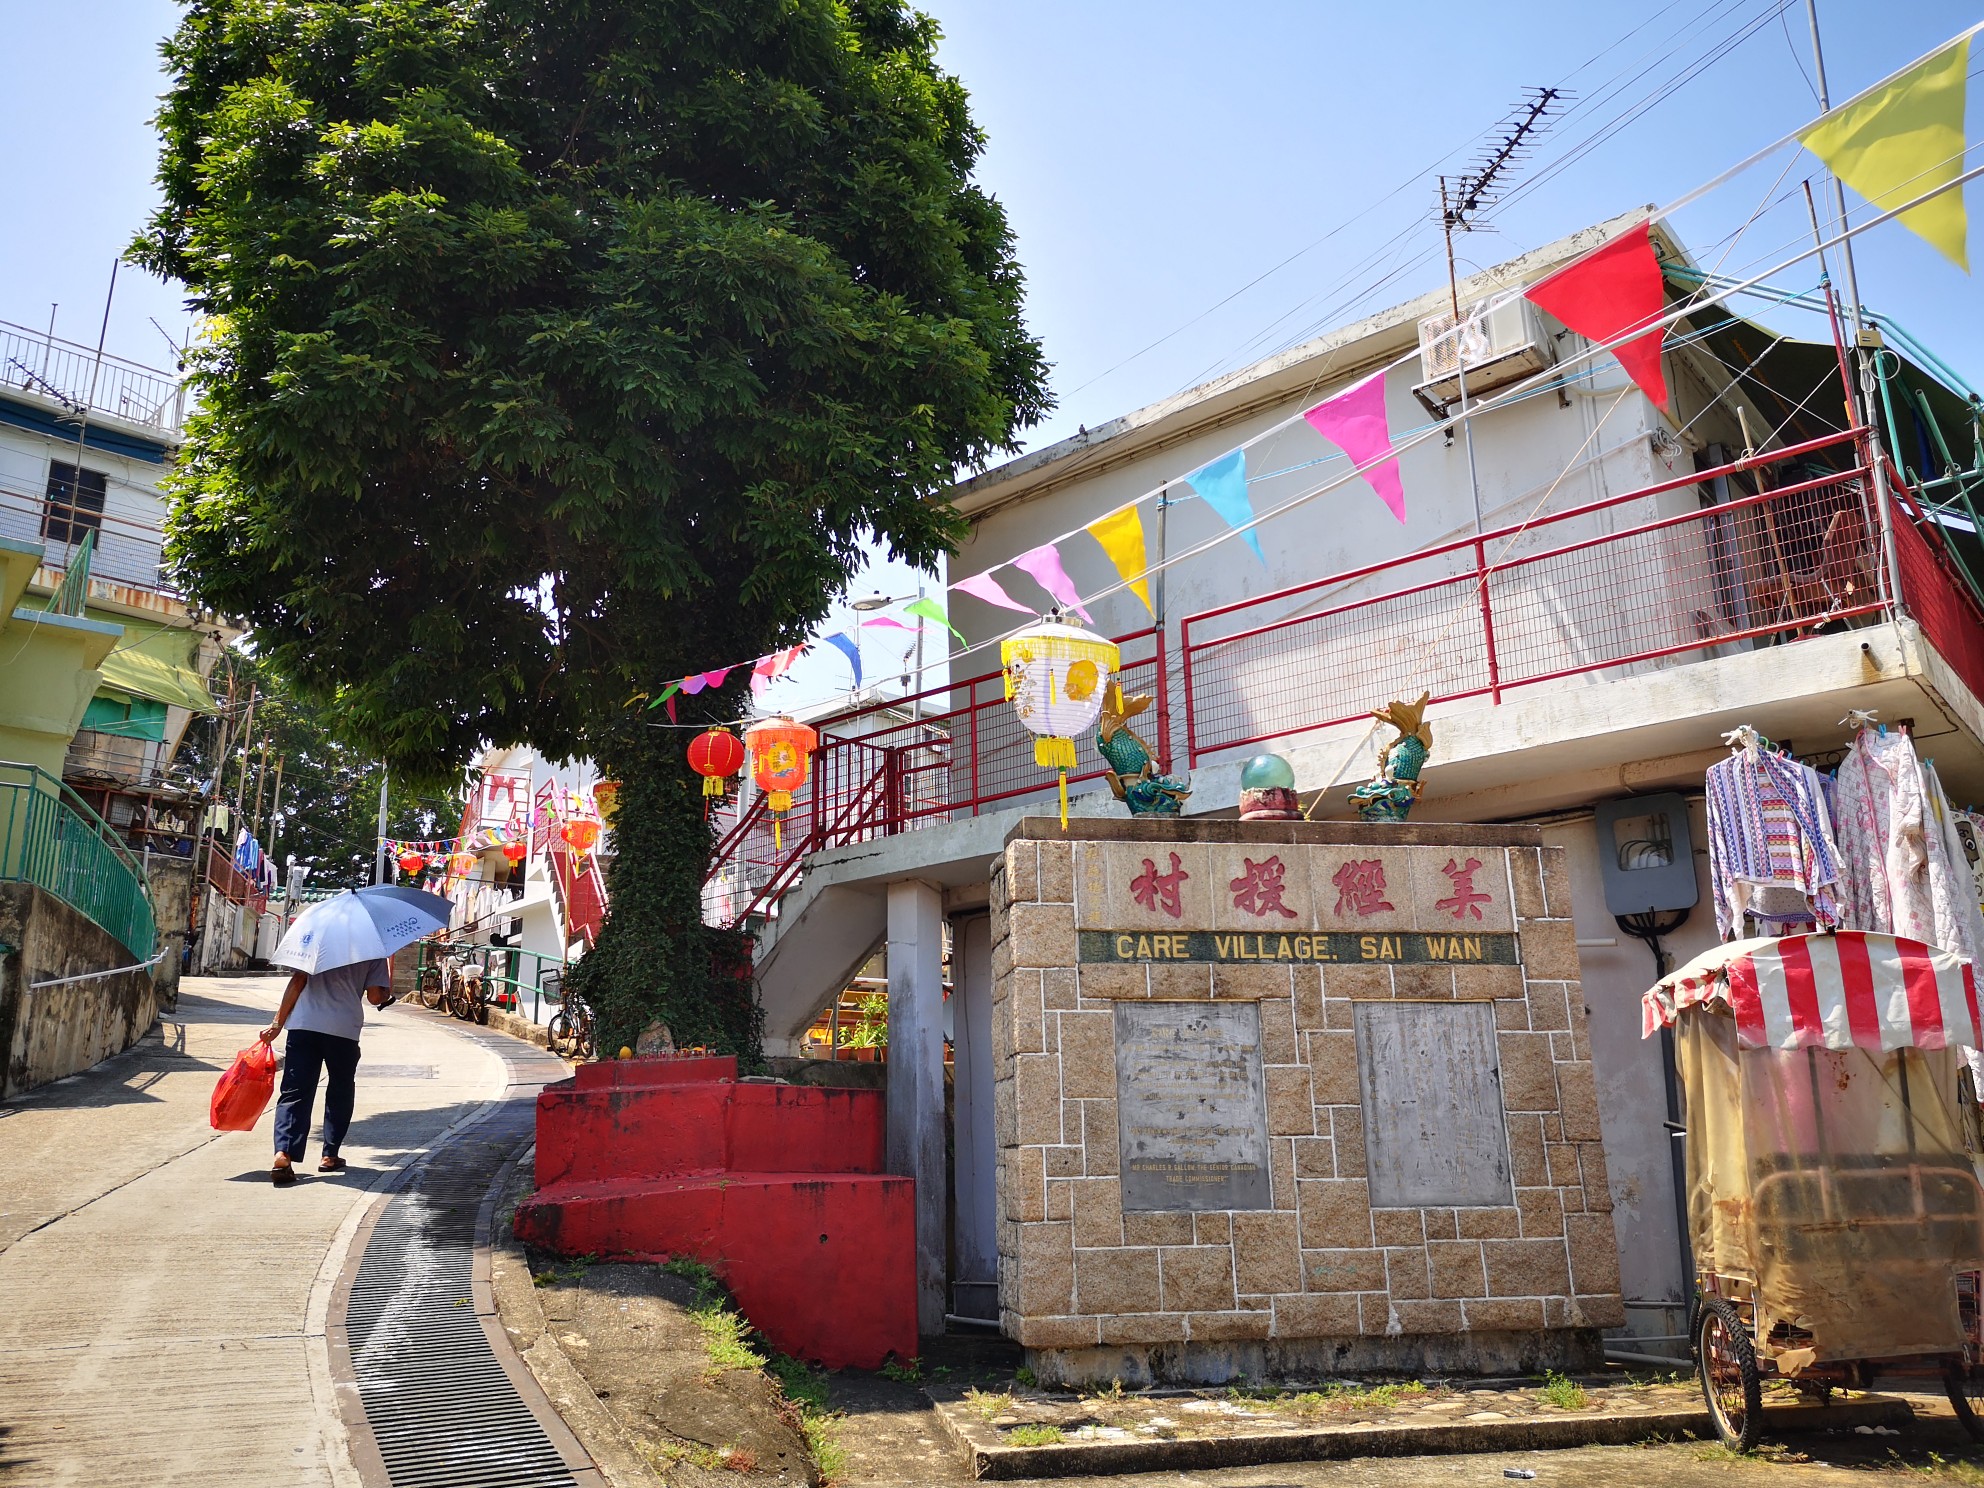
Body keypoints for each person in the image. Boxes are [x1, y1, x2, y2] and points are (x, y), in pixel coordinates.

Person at [260, 959, 396, 1186]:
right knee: (340, 1090)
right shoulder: (372, 950)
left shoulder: (316, 939)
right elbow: (374, 997)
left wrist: (276, 1024)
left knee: (295, 1092)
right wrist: (385, 993)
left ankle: (283, 1153)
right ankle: (330, 1155)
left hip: (304, 1026)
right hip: (343, 1030)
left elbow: (298, 981)